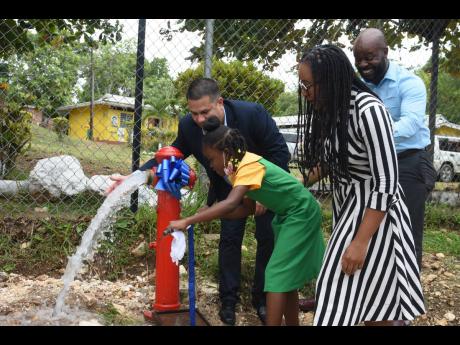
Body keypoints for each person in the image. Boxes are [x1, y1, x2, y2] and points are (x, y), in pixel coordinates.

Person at [106, 78, 291, 325]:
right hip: (228, 189)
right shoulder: (189, 126)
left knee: (267, 238)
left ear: (220, 103)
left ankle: (262, 300)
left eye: (205, 112)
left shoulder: (252, 114)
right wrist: (134, 177)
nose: (200, 120)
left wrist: (263, 193)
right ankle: (228, 301)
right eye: (194, 114)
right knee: (229, 238)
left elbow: (279, 153)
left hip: (266, 188)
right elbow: (172, 155)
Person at [297, 44, 425, 326]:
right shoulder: (333, 111)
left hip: (376, 216)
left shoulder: (369, 111)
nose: (304, 93)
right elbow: (333, 160)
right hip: (350, 208)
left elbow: (386, 181)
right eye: (301, 84)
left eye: (308, 85)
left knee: (334, 290)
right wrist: (299, 182)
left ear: (329, 81)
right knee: (375, 301)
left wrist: (360, 241)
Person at [168, 116, 325, 326]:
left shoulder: (247, 165)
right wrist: (207, 216)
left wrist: (188, 219)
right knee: (287, 279)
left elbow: (231, 203)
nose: (210, 165)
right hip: (289, 215)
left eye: (212, 159)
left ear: (226, 153)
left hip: (301, 213)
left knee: (276, 274)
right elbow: (247, 208)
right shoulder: (238, 170)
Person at [353, 28, 437, 269]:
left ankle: (408, 298)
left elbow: (410, 125)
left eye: (370, 57)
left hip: (407, 161)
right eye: (358, 58)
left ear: (385, 52)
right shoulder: (359, 86)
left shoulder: (409, 83)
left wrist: (371, 136)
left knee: (406, 230)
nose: (363, 64)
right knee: (367, 229)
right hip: (372, 163)